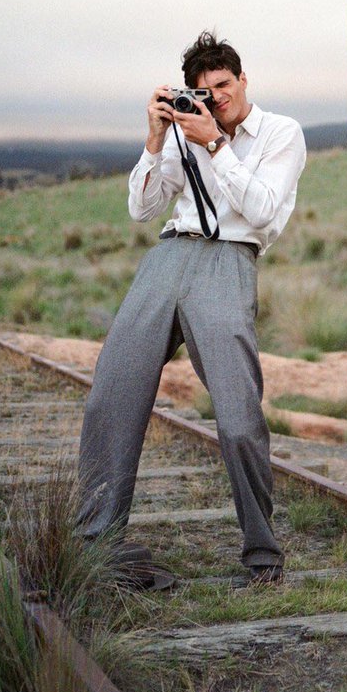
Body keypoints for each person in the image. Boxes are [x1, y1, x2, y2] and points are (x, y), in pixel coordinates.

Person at [76, 30, 306, 587]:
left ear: (242, 79)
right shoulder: (183, 129)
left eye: (223, 86)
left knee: (237, 413)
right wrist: (156, 140)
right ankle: (93, 544)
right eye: (203, 91)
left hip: (228, 261)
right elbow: (141, 208)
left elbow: (262, 210)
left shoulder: (280, 134)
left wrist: (215, 145)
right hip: (169, 255)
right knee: (112, 388)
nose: (216, 99)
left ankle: (262, 554)